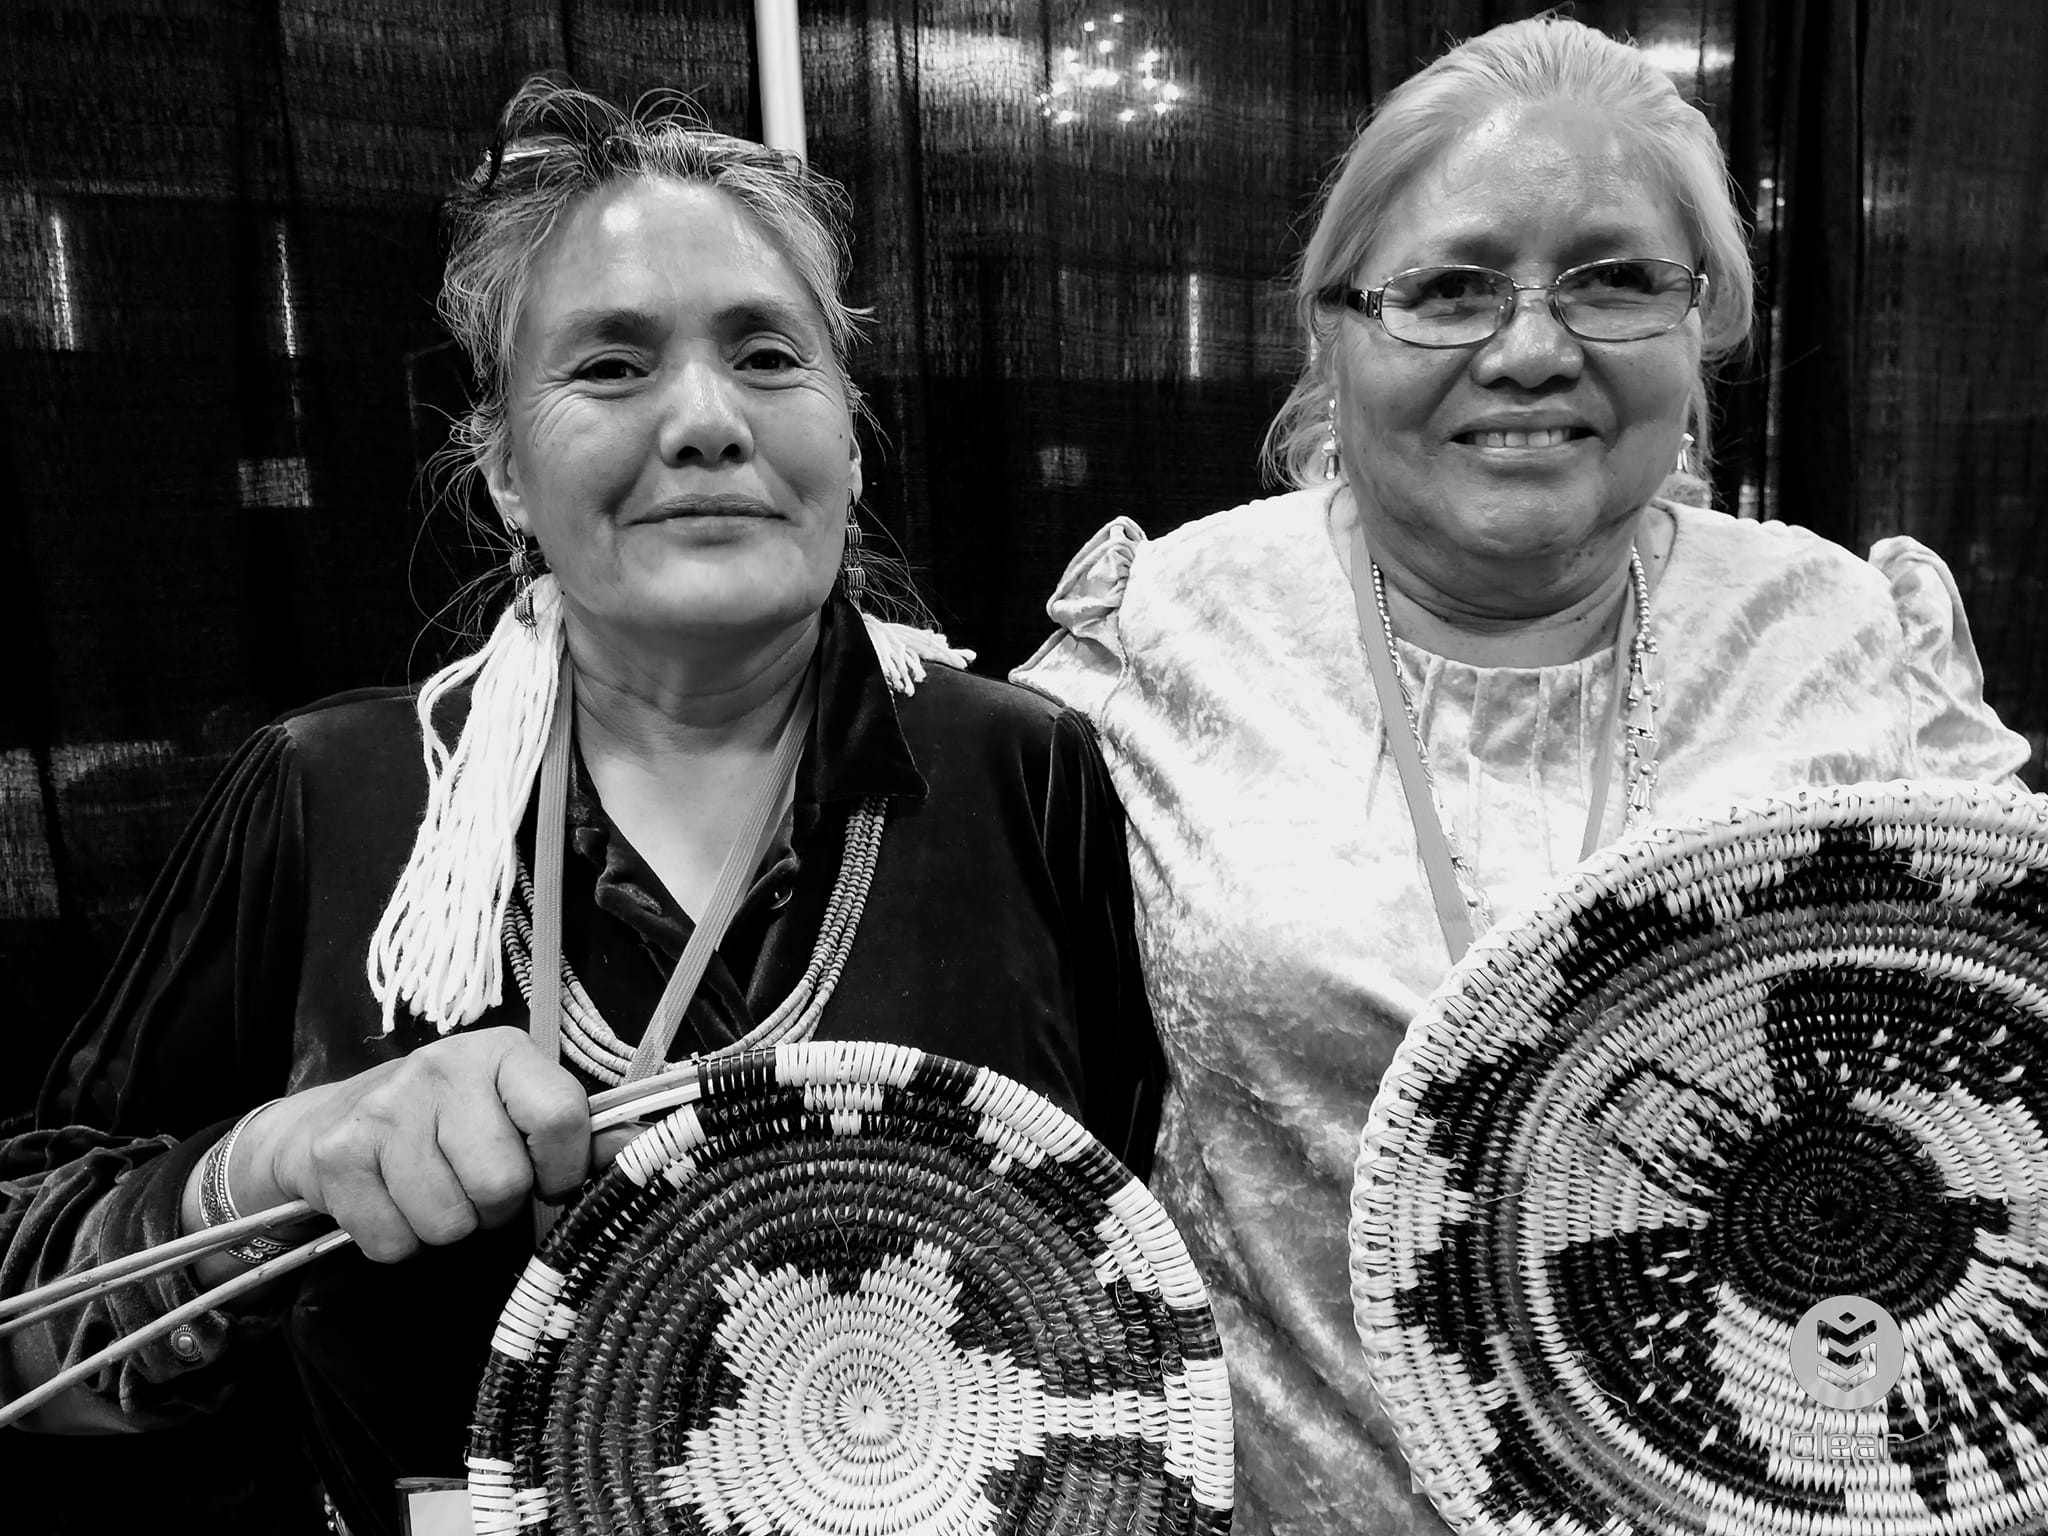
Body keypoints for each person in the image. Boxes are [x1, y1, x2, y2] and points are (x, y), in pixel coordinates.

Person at [0, 79, 1161, 1536]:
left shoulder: (1022, 771)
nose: (706, 421)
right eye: (612, 366)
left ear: (853, 441)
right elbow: (27, 1317)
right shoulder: (336, 793)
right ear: (502, 466)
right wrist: (273, 1163)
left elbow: (1128, 1242)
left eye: (768, 356)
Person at [1013, 15, 2030, 1534]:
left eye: (1615, 281)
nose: (1534, 348)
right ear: (1337, 331)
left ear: (1699, 325)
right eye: (1448, 289)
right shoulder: (1176, 628)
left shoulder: (1835, 631)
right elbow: (917, 895)